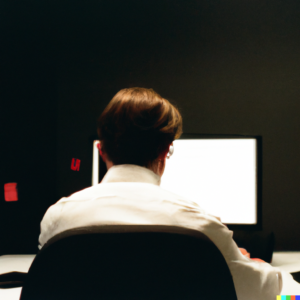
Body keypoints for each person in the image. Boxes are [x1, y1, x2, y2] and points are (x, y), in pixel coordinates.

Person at [39, 87, 299, 299]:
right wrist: (251, 264)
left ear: (101, 151)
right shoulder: (198, 226)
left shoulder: (57, 219)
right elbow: (260, 292)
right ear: (166, 150)